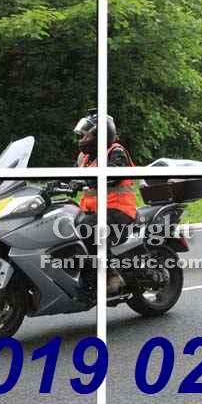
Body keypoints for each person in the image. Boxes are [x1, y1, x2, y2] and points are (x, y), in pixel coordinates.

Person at [73, 109, 136, 294]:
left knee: (88, 229)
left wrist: (88, 180)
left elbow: (115, 174)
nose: (82, 139)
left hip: (119, 210)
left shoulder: (116, 152)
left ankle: (110, 276)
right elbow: (70, 175)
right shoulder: (84, 158)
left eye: (86, 135)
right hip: (93, 211)